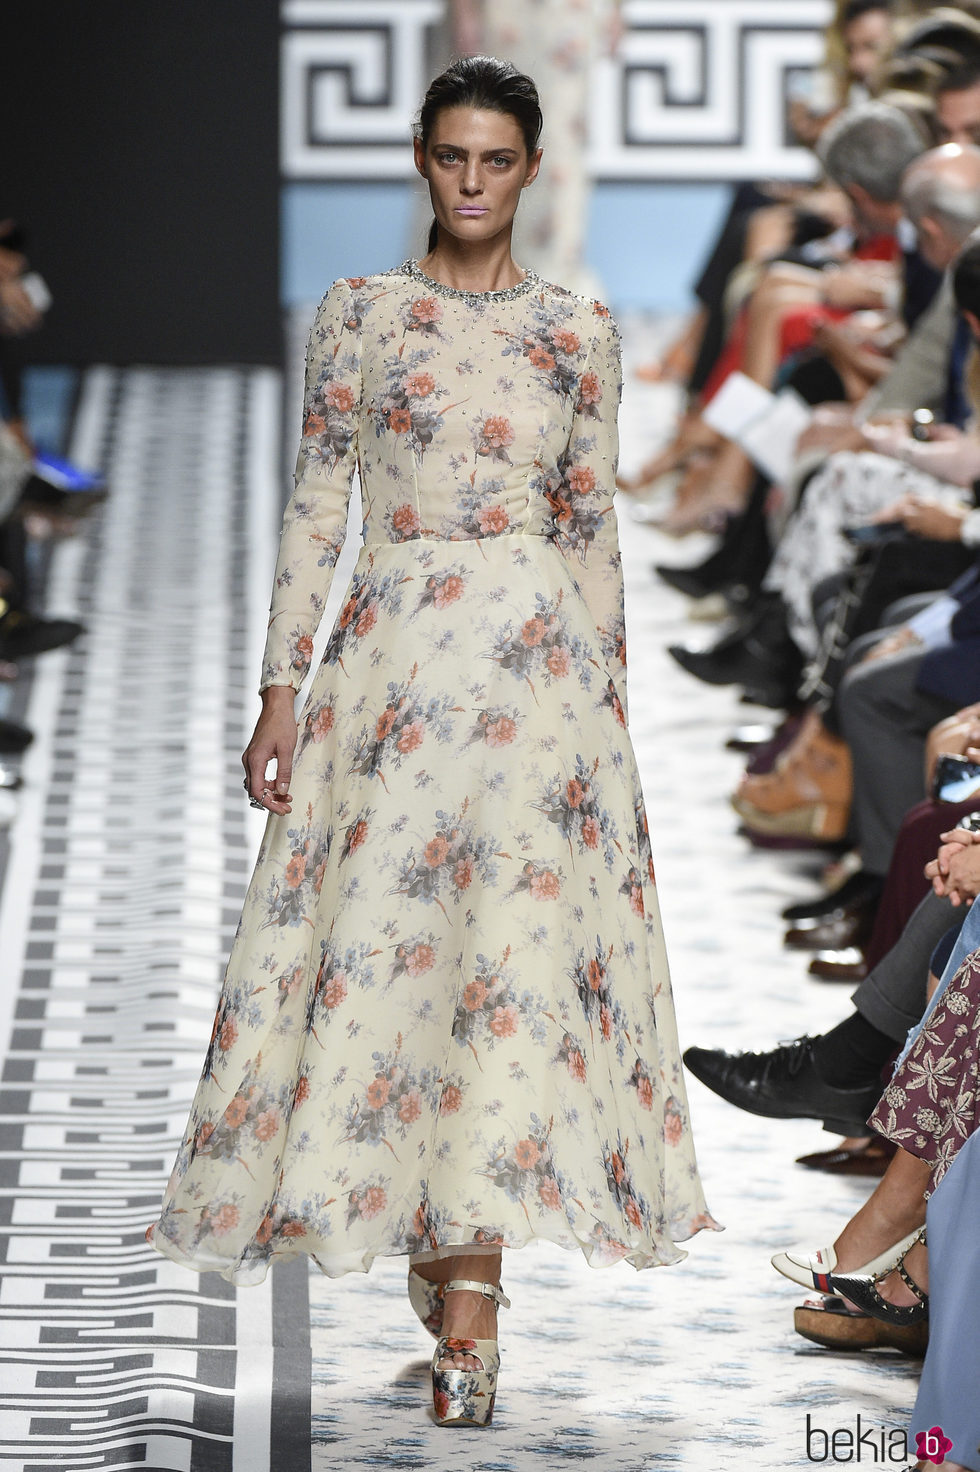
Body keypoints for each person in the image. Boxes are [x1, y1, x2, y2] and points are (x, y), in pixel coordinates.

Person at [146, 56, 716, 1428]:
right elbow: (314, 507)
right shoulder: (359, 318)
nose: (471, 184)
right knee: (396, 963)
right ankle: (433, 1228)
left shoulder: (577, 330)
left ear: (529, 171)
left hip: (533, 686)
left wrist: (613, 724)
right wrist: (281, 689)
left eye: (496, 162)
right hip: (390, 676)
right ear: (421, 160)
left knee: (508, 971)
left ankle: (474, 1302)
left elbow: (590, 533)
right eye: (451, 158)